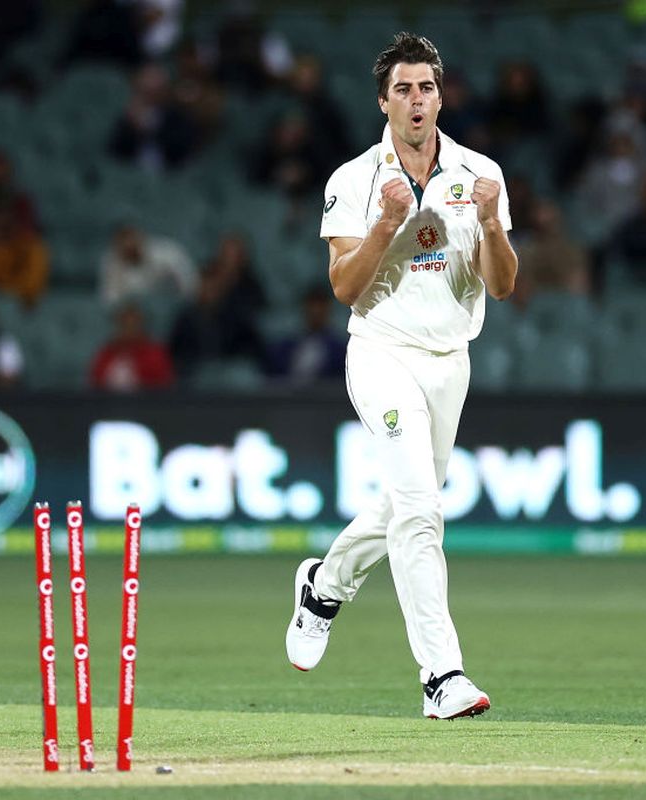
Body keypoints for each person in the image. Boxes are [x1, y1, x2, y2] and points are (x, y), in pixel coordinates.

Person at [284, 33, 517, 721]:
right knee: (420, 510)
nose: (417, 101)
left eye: (427, 88)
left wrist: (493, 226)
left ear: (440, 96)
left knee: (403, 502)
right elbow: (346, 289)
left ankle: (323, 586)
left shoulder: (480, 173)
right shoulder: (353, 181)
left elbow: (500, 287)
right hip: (381, 353)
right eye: (403, 90)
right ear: (382, 101)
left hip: (451, 361)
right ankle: (441, 677)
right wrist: (386, 222)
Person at [263, 285, 346, 384]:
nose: (315, 312)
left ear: (328, 310)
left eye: (320, 309)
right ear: (304, 309)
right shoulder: (285, 347)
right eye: (312, 308)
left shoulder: (340, 351)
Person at [89, 301, 175, 391]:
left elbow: (163, 386)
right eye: (124, 324)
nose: (129, 329)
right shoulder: (106, 353)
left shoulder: (154, 355)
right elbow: (94, 382)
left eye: (133, 324)